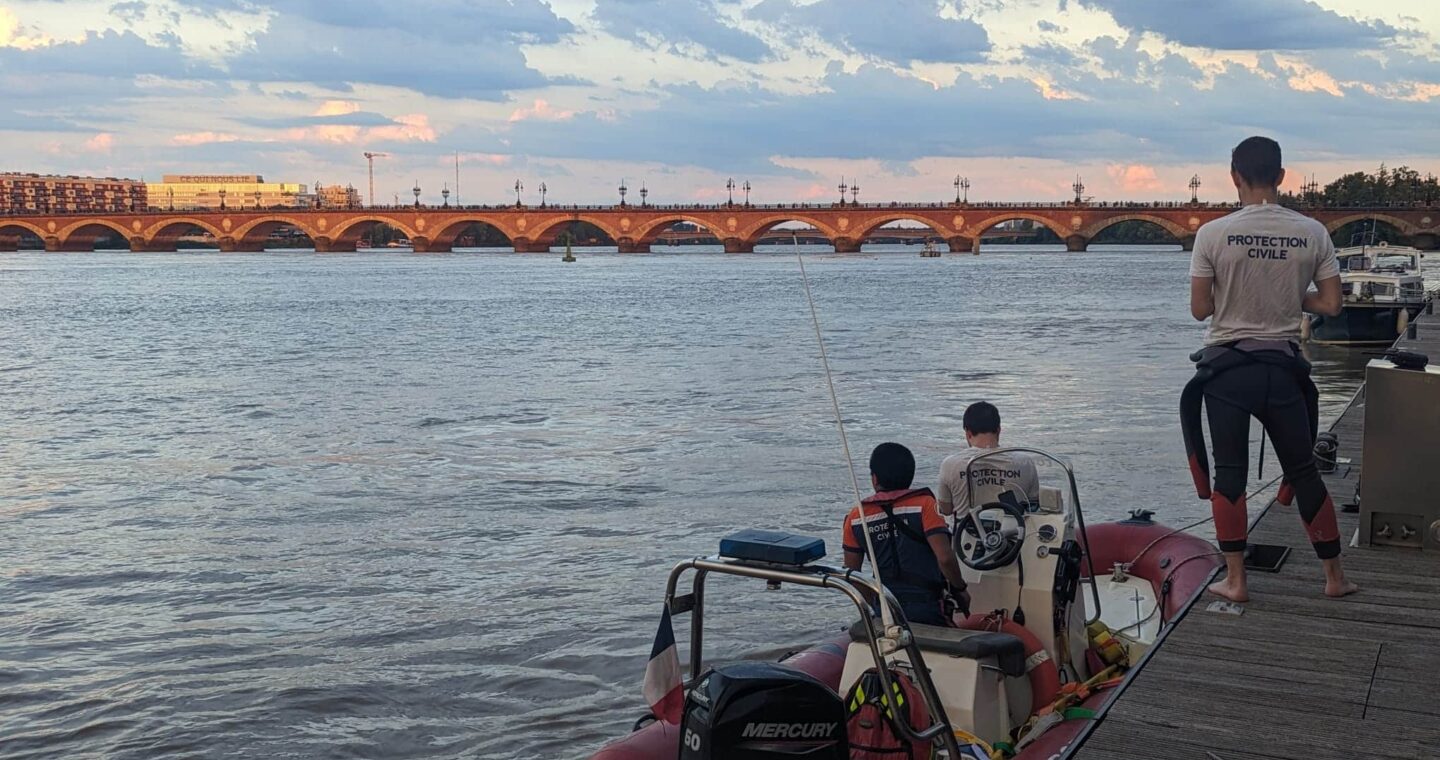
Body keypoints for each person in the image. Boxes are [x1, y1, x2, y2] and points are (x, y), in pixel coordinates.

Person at [1185, 135, 1357, 602]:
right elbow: (1333, 304)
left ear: (1234, 176)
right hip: (1284, 368)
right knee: (1304, 470)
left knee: (1231, 471)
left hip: (1227, 372)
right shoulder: (1313, 232)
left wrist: (1242, 293)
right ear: (1282, 176)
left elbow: (1201, 309)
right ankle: (1334, 578)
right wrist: (1286, 295)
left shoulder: (1212, 234)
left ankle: (1236, 581)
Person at [842, 442, 969, 626]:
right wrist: (960, 589)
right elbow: (945, 559)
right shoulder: (925, 505)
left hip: (886, 607)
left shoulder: (856, 517)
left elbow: (854, 575)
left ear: (875, 479)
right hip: (928, 606)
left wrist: (877, 604)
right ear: (910, 475)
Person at [937, 401, 1040, 517]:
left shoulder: (950, 464)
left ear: (968, 433)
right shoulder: (1025, 462)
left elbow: (946, 509)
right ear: (999, 430)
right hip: (1015, 532)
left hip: (966, 532)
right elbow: (1034, 504)